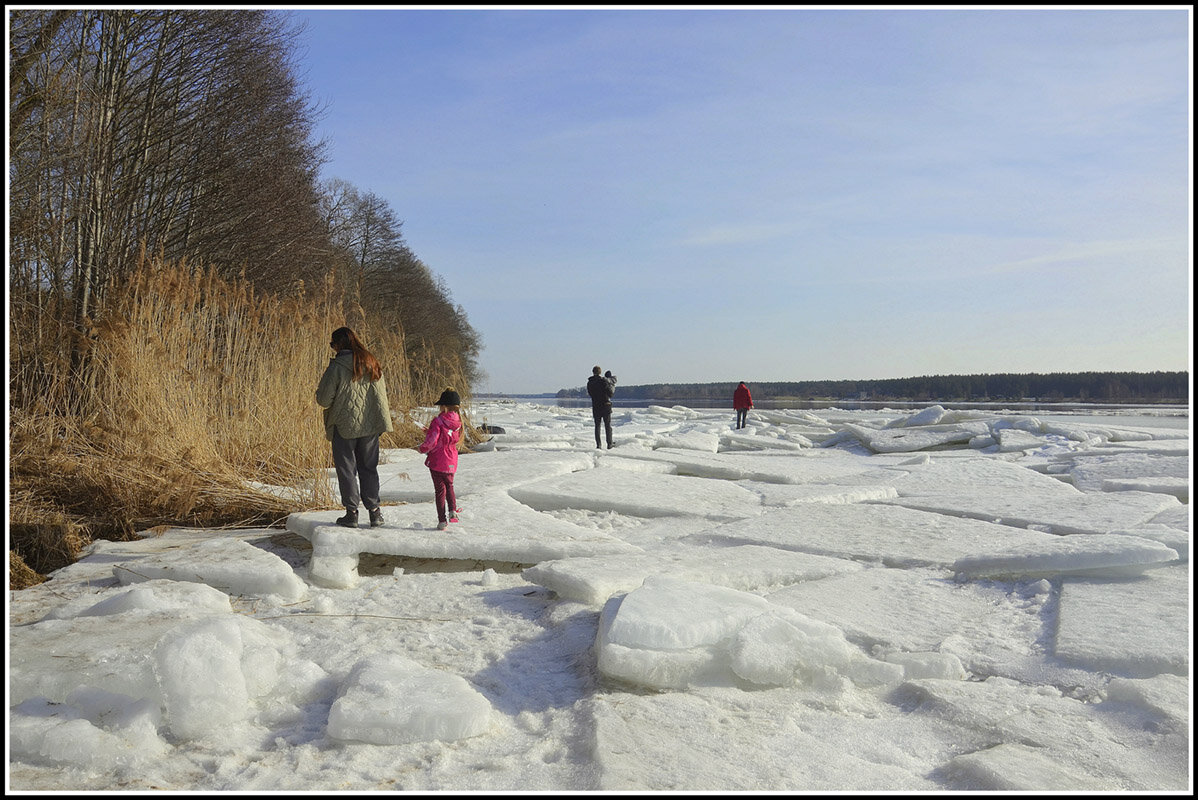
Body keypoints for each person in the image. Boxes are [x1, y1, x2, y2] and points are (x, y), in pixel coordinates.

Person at [316, 327, 393, 528]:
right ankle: (375, 513)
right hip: (370, 426)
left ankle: (351, 514)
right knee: (369, 468)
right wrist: (382, 422)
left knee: (347, 470)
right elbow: (381, 397)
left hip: (344, 425)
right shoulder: (371, 362)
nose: (332, 348)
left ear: (339, 344)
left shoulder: (336, 367)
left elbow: (323, 400)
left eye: (332, 344)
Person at [418, 388, 462, 531]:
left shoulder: (438, 421)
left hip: (438, 460)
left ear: (444, 406)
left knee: (440, 491)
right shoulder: (458, 422)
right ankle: (453, 510)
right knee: (450, 486)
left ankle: (442, 521)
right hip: (451, 459)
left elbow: (432, 442)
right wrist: (429, 431)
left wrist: (422, 448)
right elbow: (447, 437)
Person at [587, 365, 616, 449]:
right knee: (607, 425)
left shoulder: (590, 383)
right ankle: (609, 444)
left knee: (597, 426)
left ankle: (598, 445)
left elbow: (590, 394)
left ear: (593, 372)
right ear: (600, 372)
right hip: (605, 405)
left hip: (596, 406)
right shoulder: (603, 381)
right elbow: (610, 393)